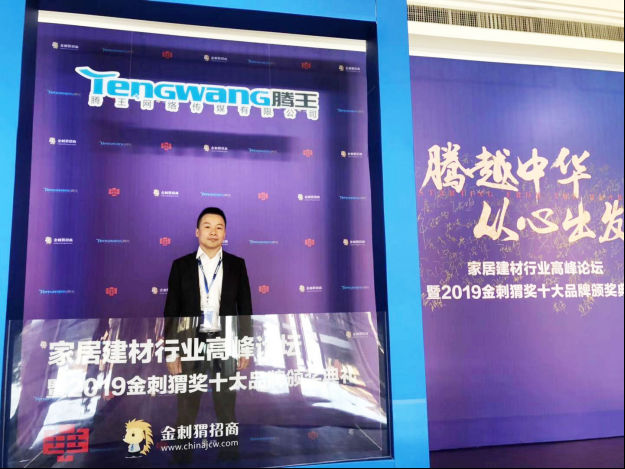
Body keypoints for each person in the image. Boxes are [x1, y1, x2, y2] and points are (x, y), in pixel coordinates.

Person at [164, 207, 252, 462]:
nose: (213, 232)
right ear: (197, 232)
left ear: (225, 233)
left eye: (219, 227)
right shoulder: (181, 266)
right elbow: (171, 311)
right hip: (190, 342)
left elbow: (245, 309)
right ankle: (181, 456)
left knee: (226, 403)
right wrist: (171, 351)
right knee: (186, 403)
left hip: (225, 342)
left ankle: (229, 455)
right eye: (207, 226)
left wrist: (245, 346)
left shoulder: (237, 265)